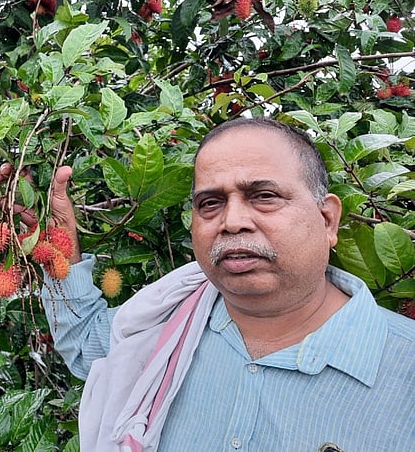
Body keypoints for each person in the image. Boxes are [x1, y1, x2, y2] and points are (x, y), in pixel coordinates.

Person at [27, 118, 414, 451]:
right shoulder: (164, 327)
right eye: (210, 203)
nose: (232, 221)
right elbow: (86, 344)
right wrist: (59, 248)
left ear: (327, 220)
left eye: (264, 196)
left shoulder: (405, 368)